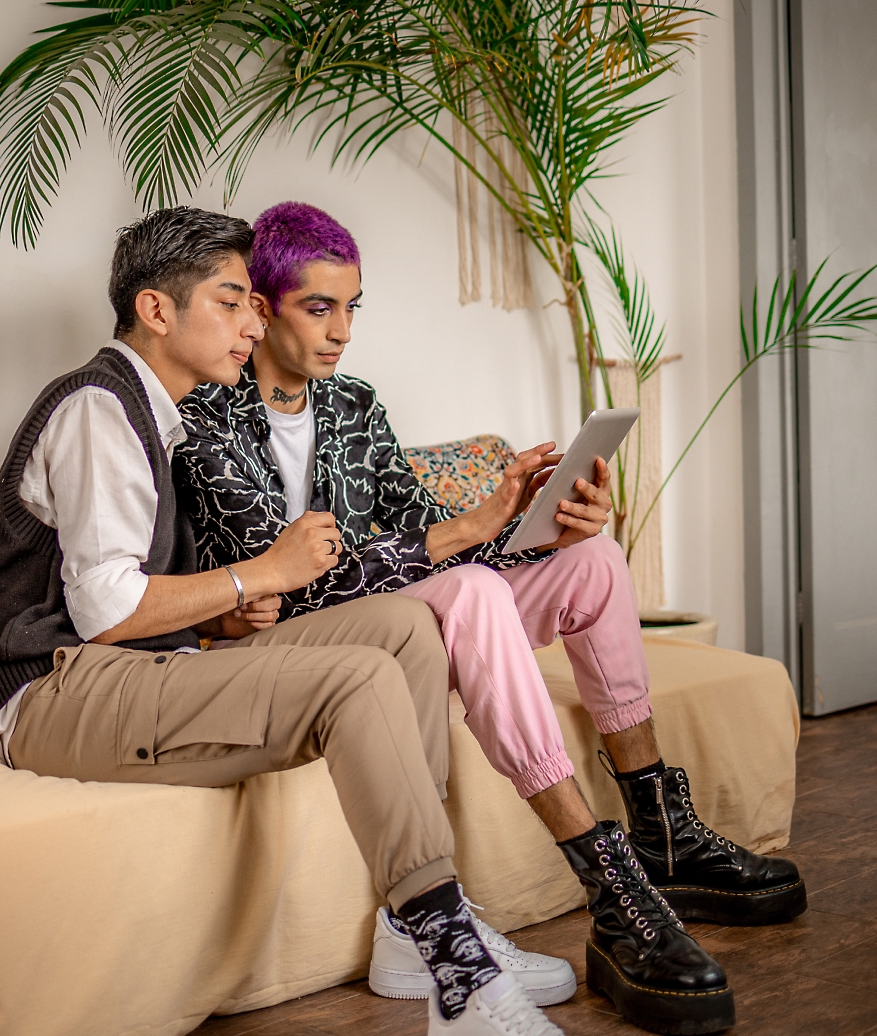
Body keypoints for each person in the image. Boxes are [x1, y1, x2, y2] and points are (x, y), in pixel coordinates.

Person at [173, 201, 808, 1035]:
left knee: (592, 561)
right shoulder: (202, 413)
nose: (342, 333)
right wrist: (466, 536)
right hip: (306, 639)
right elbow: (284, 587)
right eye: (318, 308)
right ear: (260, 306)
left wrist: (531, 518)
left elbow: (421, 533)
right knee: (470, 592)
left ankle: (660, 828)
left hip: (398, 606)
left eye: (352, 307)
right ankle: (607, 882)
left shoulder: (352, 405)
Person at [0, 207, 566, 1036]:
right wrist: (262, 571)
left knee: (400, 627)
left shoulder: (157, 415)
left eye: (253, 304)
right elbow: (104, 614)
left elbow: (147, 597)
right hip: (56, 692)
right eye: (232, 301)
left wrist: (227, 615)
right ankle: (458, 970)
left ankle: (407, 934)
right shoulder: (99, 409)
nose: (254, 322)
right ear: (156, 310)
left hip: (133, 670)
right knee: (357, 676)